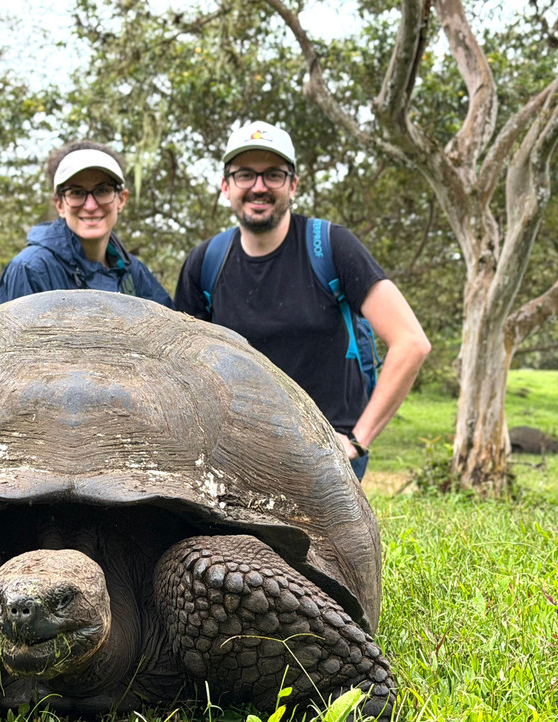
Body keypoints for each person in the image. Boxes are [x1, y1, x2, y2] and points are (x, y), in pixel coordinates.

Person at [174, 121, 430, 480]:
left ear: (293, 185)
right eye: (245, 175)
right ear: (225, 186)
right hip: (237, 455)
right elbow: (180, 367)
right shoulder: (205, 262)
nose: (259, 187)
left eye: (273, 175)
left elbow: (411, 343)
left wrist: (356, 441)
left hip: (326, 456)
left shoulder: (331, 247)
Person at [0, 141, 173, 308]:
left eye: (102, 190)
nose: (90, 206)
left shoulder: (134, 273)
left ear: (121, 199)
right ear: (60, 204)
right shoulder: (30, 269)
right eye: (77, 193)